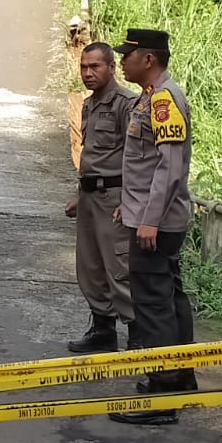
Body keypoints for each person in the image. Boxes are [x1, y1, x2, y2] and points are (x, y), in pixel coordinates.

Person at [108, 28, 198, 426]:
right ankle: (180, 376)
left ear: (148, 59)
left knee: (153, 303)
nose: (122, 62)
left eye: (127, 55)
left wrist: (148, 219)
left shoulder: (163, 100)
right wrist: (130, 208)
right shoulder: (150, 98)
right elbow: (145, 167)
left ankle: (163, 398)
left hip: (157, 223)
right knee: (170, 295)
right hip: (150, 215)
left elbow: (169, 167)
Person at [65, 42, 138, 353]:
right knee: (90, 267)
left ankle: (138, 336)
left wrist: (131, 201)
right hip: (91, 196)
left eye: (95, 67)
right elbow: (92, 155)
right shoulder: (88, 105)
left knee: (119, 267)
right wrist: (80, 197)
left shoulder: (127, 105)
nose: (88, 73)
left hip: (116, 197)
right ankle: (103, 330)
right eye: (83, 67)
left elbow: (137, 158)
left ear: (112, 68)